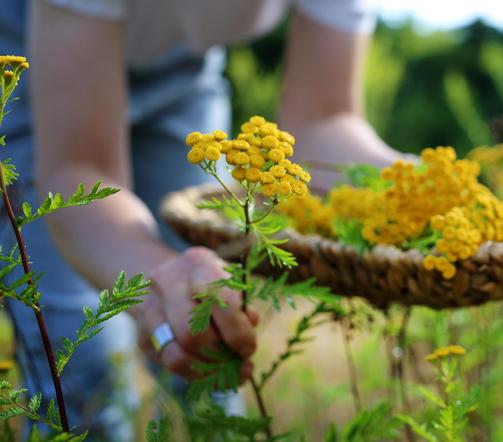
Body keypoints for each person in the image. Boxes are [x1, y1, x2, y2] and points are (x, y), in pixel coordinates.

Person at [0, 0, 403, 438]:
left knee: (209, 345)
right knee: (84, 367)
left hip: (184, 73)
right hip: (31, 57)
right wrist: (160, 276)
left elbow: (325, 120)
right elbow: (80, 172)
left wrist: (424, 185)